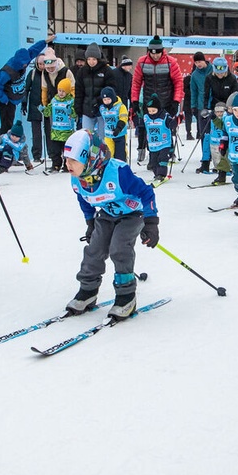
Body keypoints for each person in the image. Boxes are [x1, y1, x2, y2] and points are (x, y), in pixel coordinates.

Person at [62, 128, 160, 320]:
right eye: (66, 159)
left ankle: (126, 296)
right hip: (106, 214)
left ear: (90, 158)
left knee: (119, 249)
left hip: (133, 214)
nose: (68, 164)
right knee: (94, 250)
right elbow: (84, 199)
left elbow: (146, 192)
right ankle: (88, 291)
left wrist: (151, 223)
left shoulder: (118, 173)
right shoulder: (78, 180)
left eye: (73, 160)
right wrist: (90, 223)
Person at [130, 35, 183, 163]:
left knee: (166, 128)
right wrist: (135, 101)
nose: (155, 56)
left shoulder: (171, 62)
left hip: (166, 100)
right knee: (151, 129)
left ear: (162, 51)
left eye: (158, 53)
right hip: (149, 102)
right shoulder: (142, 62)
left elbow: (178, 82)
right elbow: (136, 83)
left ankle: (168, 153)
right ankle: (152, 157)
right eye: (152, 53)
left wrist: (176, 101)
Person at [0, 34, 53, 134]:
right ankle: (5, 145)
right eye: (23, 64)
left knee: (10, 123)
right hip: (7, 100)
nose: (26, 65)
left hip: (15, 96)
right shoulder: (7, 72)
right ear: (18, 62)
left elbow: (34, 50)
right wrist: (4, 99)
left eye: (26, 62)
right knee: (7, 125)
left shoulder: (24, 59)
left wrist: (45, 42)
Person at [24, 49, 69, 166]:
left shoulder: (50, 73)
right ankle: (37, 155)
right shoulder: (33, 74)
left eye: (43, 63)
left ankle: (51, 153)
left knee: (49, 131)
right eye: (40, 64)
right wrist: (24, 102)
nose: (42, 66)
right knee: (36, 133)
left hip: (49, 105)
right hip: (35, 105)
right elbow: (27, 88)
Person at [73, 41, 115, 135]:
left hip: (102, 110)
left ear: (98, 59)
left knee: (102, 137)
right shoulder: (82, 71)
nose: (91, 62)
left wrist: (100, 102)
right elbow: (79, 91)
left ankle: (104, 150)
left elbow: (111, 89)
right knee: (86, 136)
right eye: (89, 59)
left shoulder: (107, 70)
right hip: (87, 110)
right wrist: (78, 107)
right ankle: (89, 150)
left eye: (94, 59)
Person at [44, 77, 77, 172]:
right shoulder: (54, 100)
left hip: (67, 131)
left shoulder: (71, 101)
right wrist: (44, 109)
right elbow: (48, 112)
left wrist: (70, 111)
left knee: (67, 150)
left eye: (63, 91)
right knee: (55, 150)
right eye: (59, 90)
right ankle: (56, 165)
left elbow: (74, 114)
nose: (61, 93)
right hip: (56, 130)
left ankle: (67, 165)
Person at [142, 93, 175, 183]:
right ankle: (157, 174)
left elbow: (171, 122)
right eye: (150, 111)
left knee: (162, 159)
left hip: (164, 143)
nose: (151, 113)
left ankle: (161, 174)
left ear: (158, 108)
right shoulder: (146, 117)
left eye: (153, 110)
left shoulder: (164, 116)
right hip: (153, 144)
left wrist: (173, 123)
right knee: (153, 162)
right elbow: (143, 125)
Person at [188, 52, 213, 172]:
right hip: (201, 106)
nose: (198, 64)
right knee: (204, 134)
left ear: (205, 60)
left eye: (200, 62)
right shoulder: (194, 75)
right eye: (196, 62)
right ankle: (205, 159)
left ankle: (219, 159)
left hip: (213, 105)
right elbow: (194, 91)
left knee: (216, 133)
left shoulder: (212, 69)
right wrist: (193, 106)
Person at [99, 86, 129, 162]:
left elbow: (123, 119)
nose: (106, 101)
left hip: (119, 134)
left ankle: (121, 166)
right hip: (108, 135)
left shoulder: (120, 107)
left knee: (120, 155)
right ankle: (110, 169)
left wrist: (118, 128)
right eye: (104, 99)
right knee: (109, 154)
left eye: (108, 99)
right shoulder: (102, 107)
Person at [207, 101, 229, 185]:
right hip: (215, 142)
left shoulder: (227, 118)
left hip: (227, 141)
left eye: (221, 112)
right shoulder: (214, 119)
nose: (219, 114)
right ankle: (221, 175)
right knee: (219, 159)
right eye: (217, 112)